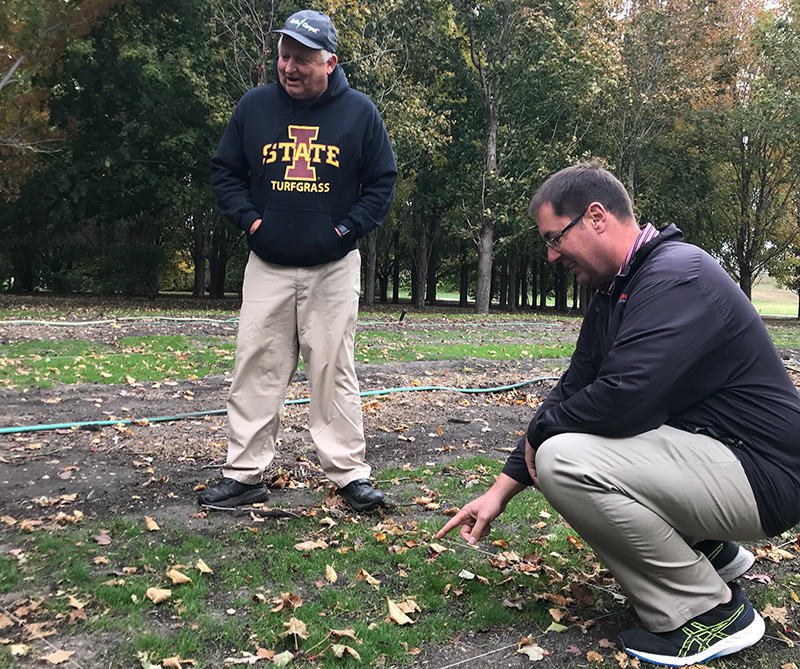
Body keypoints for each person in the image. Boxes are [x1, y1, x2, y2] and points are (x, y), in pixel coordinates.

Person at [436, 162, 800, 666]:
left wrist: (540, 437)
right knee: (563, 442)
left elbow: (622, 398)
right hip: (723, 462)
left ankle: (706, 615)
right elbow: (573, 390)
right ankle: (711, 553)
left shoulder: (678, 276)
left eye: (554, 237)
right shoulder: (615, 292)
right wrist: (500, 490)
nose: (550, 254)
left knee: (566, 458)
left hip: (767, 477)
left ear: (596, 216)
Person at [200, 9, 397, 512]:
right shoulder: (255, 107)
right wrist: (251, 222)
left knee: (334, 368)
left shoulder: (360, 113)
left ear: (330, 62)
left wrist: (344, 229)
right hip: (267, 264)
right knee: (256, 366)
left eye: (302, 60)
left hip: (333, 267)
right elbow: (225, 171)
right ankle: (244, 475)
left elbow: (381, 183)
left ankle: (350, 475)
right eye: (284, 56)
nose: (289, 67)